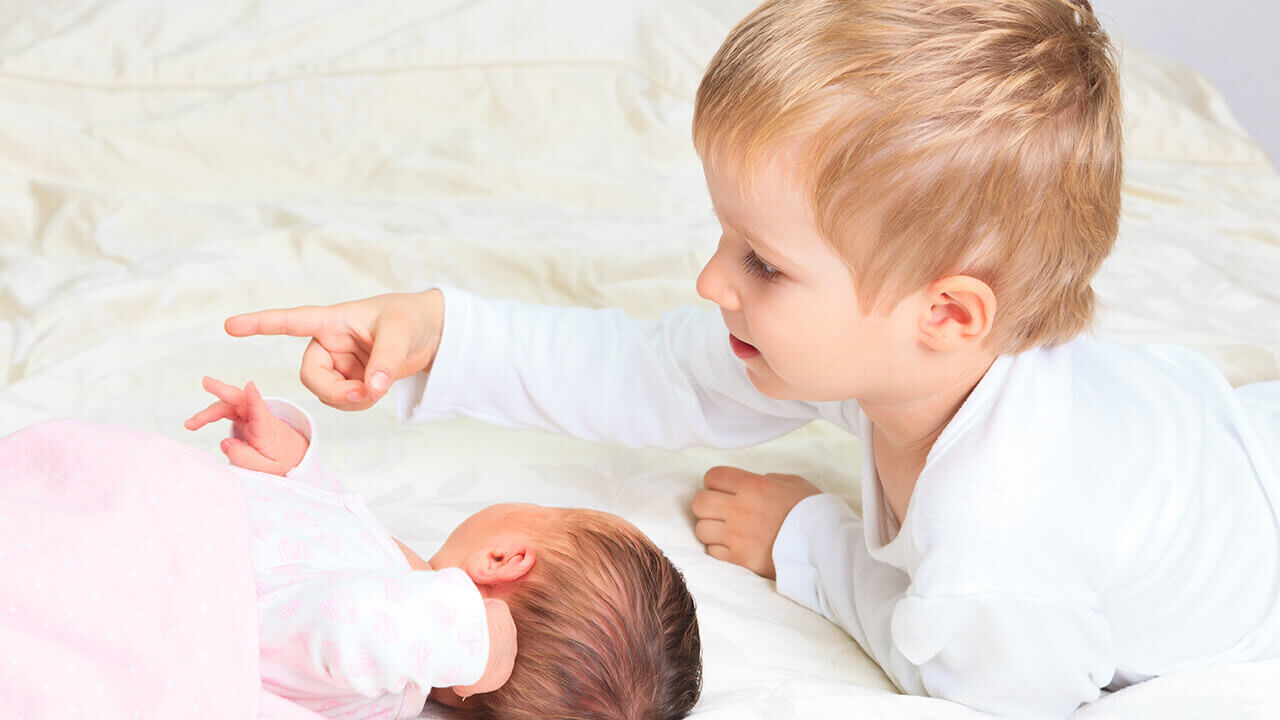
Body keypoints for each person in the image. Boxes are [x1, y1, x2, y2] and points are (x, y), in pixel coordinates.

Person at [224, 0, 1280, 717]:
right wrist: (437, 334)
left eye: (763, 264)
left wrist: (808, 542)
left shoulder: (995, 549)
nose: (709, 282)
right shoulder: (900, 359)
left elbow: (985, 685)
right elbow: (651, 371)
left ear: (945, 314)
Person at [184, 376, 702, 720]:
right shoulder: (391, 596)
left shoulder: (378, 660)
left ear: (502, 559)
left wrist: (465, 634)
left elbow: (331, 624)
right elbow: (318, 555)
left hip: (163, 563)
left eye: (550, 510)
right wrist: (296, 467)